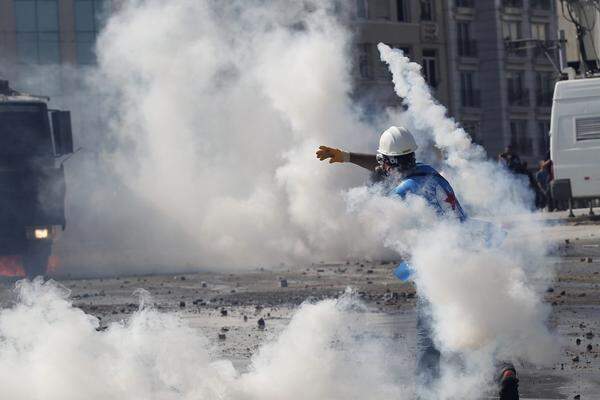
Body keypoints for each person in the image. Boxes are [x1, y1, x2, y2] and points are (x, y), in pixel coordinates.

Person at [316, 126, 519, 400]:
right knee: (473, 320)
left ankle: (427, 394)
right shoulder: (428, 171)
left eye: (383, 162)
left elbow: (383, 219)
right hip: (474, 250)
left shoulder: (402, 194)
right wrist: (347, 156)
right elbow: (385, 164)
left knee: (430, 338)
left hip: (441, 265)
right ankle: (504, 370)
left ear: (388, 163)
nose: (381, 166)